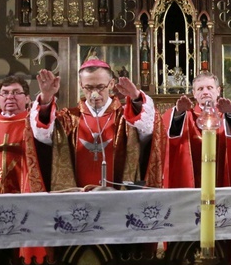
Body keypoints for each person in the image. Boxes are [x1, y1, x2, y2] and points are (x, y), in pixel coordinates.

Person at [162, 71, 231, 265]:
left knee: (228, 239)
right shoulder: (182, 115)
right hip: (191, 190)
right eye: (200, 89)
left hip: (225, 186)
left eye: (209, 88)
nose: (205, 92)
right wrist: (178, 113)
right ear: (194, 94)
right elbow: (170, 140)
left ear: (218, 91)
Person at [31, 59, 163, 190]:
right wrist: (46, 99)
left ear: (111, 84)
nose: (95, 93)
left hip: (118, 199)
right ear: (81, 84)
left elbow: (149, 130)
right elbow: (42, 136)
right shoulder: (68, 118)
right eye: (88, 87)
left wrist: (136, 98)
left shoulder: (126, 117)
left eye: (100, 87)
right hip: (76, 200)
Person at [0, 76, 48, 263]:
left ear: (28, 98)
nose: (9, 97)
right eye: (4, 93)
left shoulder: (35, 126)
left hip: (25, 198)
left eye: (16, 92)